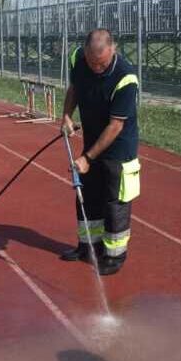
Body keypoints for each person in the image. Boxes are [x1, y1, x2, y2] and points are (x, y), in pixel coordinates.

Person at [59, 28, 140, 277]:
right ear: (84, 53)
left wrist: (87, 158)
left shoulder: (126, 78)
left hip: (118, 148)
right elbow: (75, 87)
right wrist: (66, 116)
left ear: (112, 49)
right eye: (92, 63)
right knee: (88, 196)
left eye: (102, 63)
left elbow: (116, 125)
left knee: (114, 202)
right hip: (91, 142)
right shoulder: (78, 60)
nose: (96, 68)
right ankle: (87, 246)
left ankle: (114, 256)